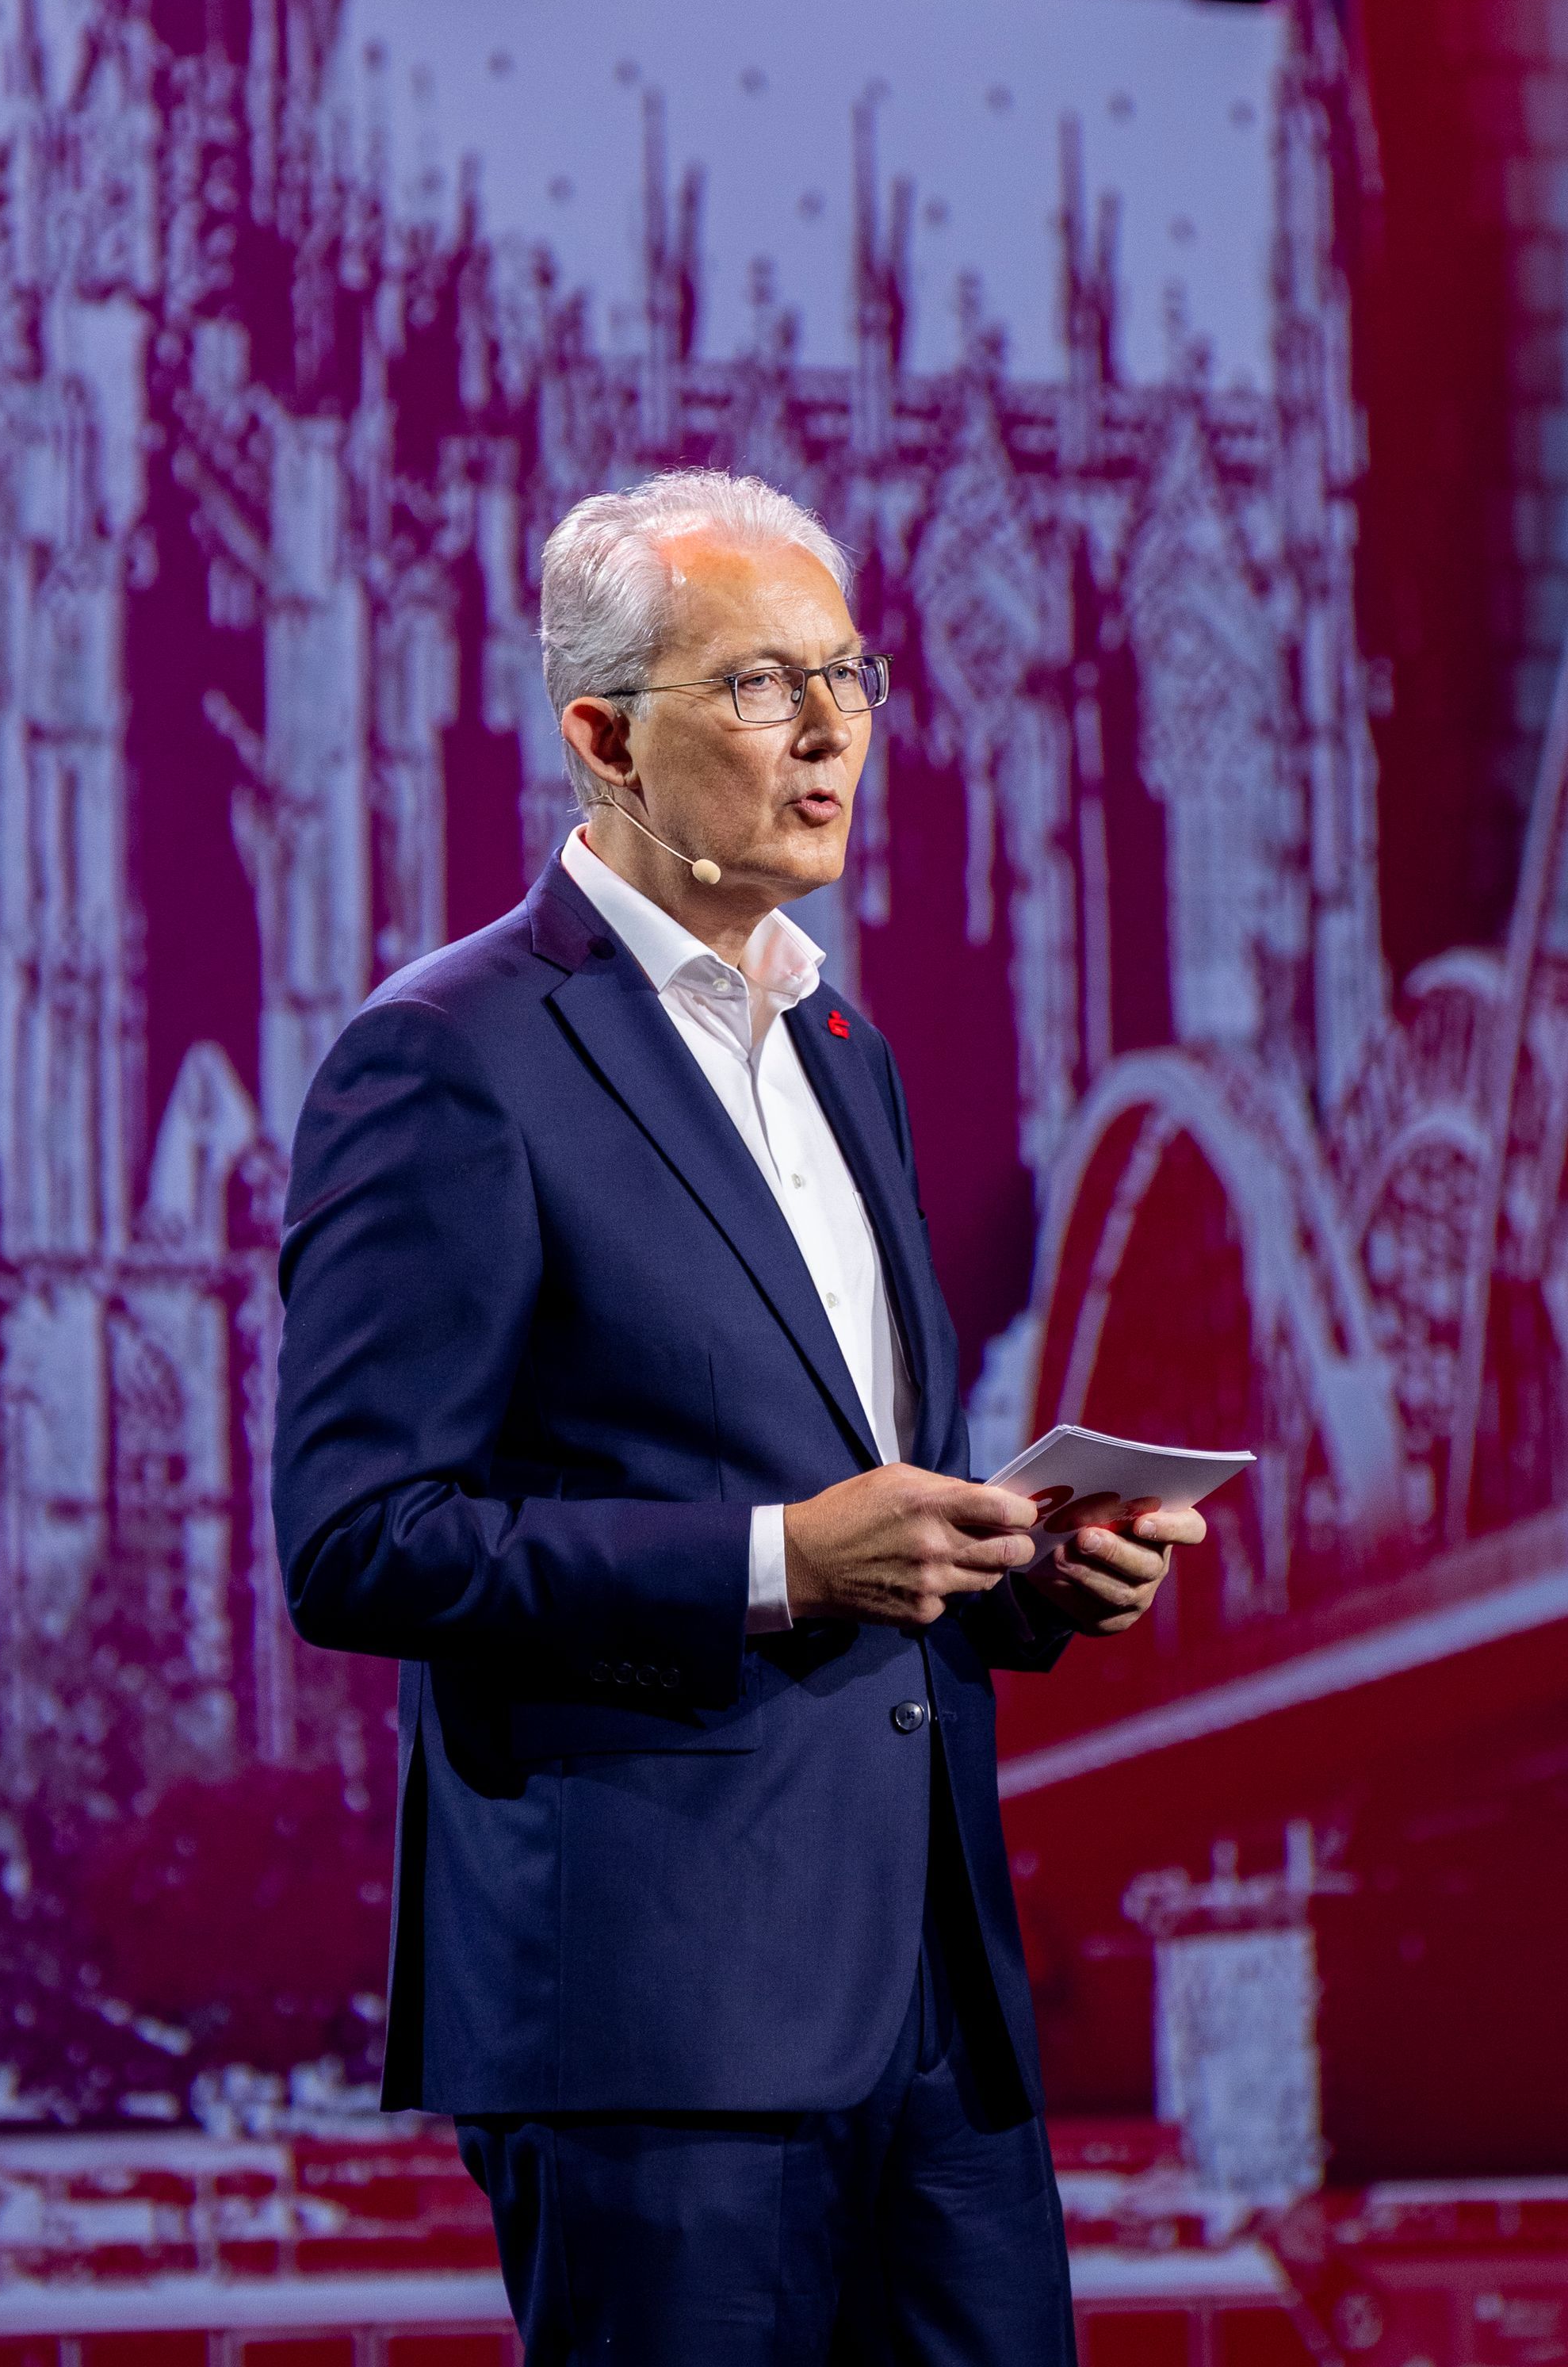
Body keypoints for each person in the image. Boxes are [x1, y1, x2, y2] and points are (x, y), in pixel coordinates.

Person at [271, 467, 1206, 2365]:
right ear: (602, 735)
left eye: (849, 675)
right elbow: (360, 1535)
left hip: (936, 2014)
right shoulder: (449, 1055)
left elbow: (858, 1485)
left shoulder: (843, 1050)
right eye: (763, 683)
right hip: (658, 2022)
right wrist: (783, 1559)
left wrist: (1024, 1569)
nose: (833, 731)